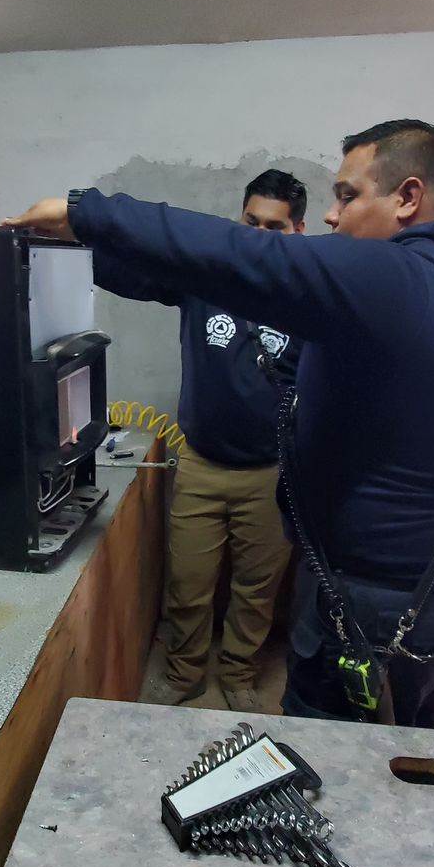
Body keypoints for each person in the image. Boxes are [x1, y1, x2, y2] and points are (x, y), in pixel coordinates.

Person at [5, 118, 434, 729]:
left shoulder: (403, 280)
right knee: (421, 740)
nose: (335, 216)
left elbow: (240, 253)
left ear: (408, 198)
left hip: (382, 594)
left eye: (349, 196)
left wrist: (86, 213)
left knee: (326, 750)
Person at [95, 169, 306, 712]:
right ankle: (184, 671)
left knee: (256, 592)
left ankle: (238, 675)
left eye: (275, 227)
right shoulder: (207, 275)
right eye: (251, 221)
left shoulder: (308, 293)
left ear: (297, 230)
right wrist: (71, 241)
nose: (259, 235)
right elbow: (130, 273)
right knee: (187, 585)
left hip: (271, 473)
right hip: (202, 467)